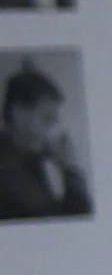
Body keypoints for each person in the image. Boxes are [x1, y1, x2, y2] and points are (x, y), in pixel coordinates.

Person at [0, 57, 87, 221]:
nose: (54, 129)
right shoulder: (8, 169)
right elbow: (63, 224)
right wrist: (71, 170)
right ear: (18, 113)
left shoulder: (34, 155)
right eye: (47, 119)